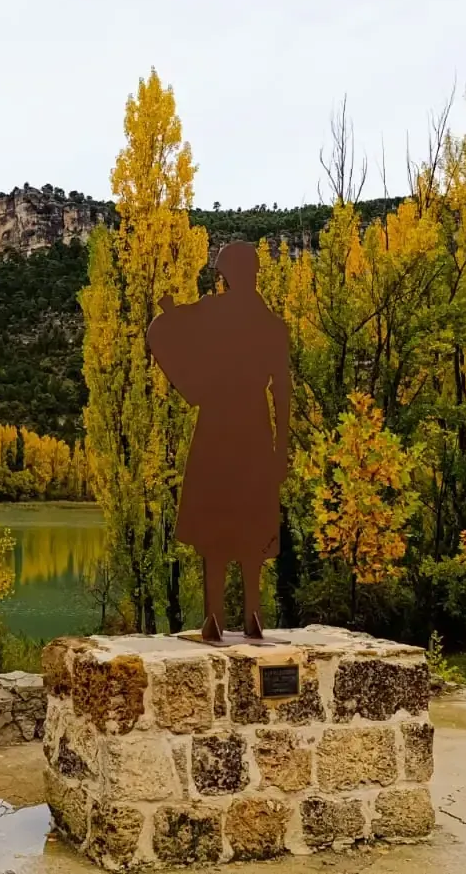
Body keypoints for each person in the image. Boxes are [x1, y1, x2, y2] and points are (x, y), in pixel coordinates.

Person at [147, 241, 291, 641]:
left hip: (217, 419)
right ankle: (252, 614)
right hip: (255, 424)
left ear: (225, 274)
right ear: (255, 272)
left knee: (217, 514)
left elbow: (161, 332)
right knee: (248, 514)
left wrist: (192, 385)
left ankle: (215, 616)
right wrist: (281, 448)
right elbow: (282, 391)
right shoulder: (272, 325)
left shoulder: (212, 311)